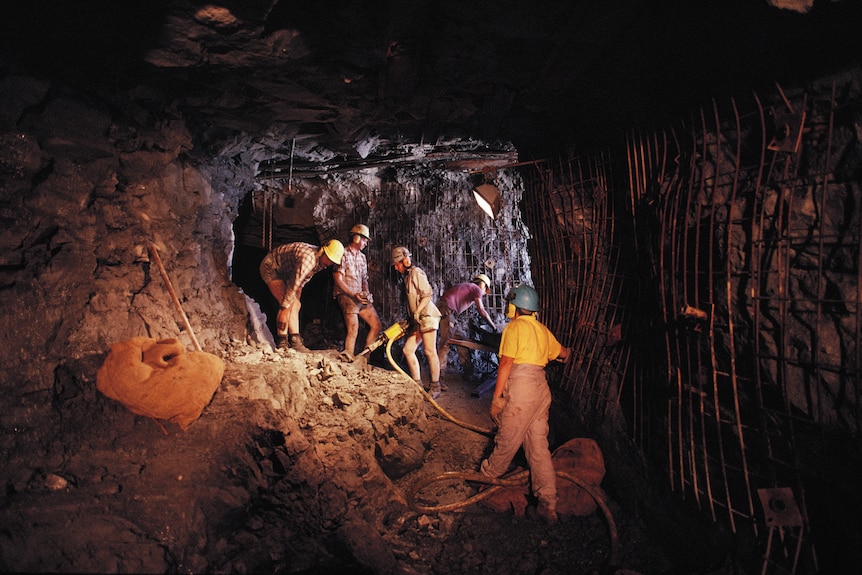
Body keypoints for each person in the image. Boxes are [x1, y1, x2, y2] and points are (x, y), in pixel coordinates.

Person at [479, 283, 570, 524]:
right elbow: (564, 353)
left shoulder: (514, 327)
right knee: (539, 450)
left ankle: (484, 482)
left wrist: (497, 398)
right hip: (541, 389)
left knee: (507, 441)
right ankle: (548, 505)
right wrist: (562, 353)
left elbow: (506, 363)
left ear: (514, 307)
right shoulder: (542, 330)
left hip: (522, 388)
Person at [259, 239, 345, 352]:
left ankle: (295, 341)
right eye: (329, 259)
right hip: (271, 266)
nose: (329, 263)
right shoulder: (308, 260)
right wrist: (285, 307)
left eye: (332, 261)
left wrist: (296, 303)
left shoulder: (320, 263)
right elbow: (293, 285)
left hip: (287, 273)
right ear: (323, 251)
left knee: (295, 305)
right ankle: (282, 342)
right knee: (285, 303)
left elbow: (300, 284)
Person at [391, 246, 442, 398]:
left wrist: (418, 311)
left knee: (429, 351)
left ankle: (435, 387)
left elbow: (427, 295)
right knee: (408, 350)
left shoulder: (416, 273)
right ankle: (417, 385)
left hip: (427, 316)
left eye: (397, 263)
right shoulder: (407, 277)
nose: (395, 267)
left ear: (405, 261)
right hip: (419, 319)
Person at [333, 224, 383, 359]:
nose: (366, 243)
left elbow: (364, 280)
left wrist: (366, 293)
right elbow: (338, 279)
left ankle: (364, 359)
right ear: (356, 238)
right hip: (346, 295)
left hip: (359, 296)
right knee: (353, 327)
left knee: (376, 325)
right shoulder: (343, 253)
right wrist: (352, 294)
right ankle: (348, 355)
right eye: (364, 240)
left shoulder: (362, 257)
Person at [437, 273, 497, 380]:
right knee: (445, 343)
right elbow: (482, 310)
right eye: (485, 291)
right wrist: (493, 326)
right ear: (483, 285)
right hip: (447, 310)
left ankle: (468, 372)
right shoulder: (477, 289)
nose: (483, 294)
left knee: (461, 338)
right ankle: (437, 378)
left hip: (448, 311)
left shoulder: (469, 287)